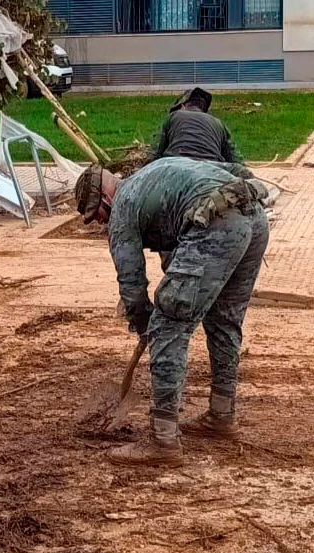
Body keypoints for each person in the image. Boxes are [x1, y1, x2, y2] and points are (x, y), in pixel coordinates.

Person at [75, 156, 270, 467]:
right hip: (254, 217)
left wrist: (145, 325)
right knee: (224, 320)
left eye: (97, 215)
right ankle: (221, 415)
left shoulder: (123, 206)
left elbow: (131, 282)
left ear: (105, 197)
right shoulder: (151, 177)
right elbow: (180, 238)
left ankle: (162, 439)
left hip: (216, 221)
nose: (101, 223)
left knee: (168, 326)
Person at [151, 87, 243, 167]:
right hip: (211, 167)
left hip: (177, 164)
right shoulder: (218, 123)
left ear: (182, 106)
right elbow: (234, 158)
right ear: (203, 109)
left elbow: (156, 151)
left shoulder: (173, 116)